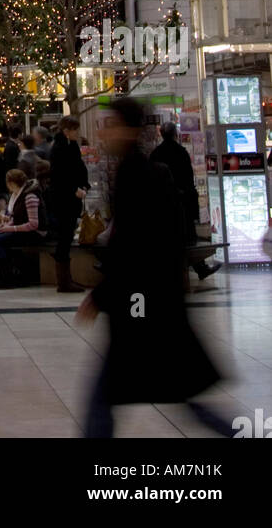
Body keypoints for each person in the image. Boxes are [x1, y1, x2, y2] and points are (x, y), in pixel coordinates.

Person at [77, 97, 231, 439]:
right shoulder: (138, 170)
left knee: (108, 397)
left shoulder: (136, 174)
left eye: (110, 125)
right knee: (180, 398)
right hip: (150, 307)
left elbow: (136, 246)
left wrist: (102, 295)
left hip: (143, 309)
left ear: (129, 130)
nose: (103, 133)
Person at [151, 122, 221, 281]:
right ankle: (199, 267)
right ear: (175, 134)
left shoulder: (156, 154)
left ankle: (176, 270)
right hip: (182, 202)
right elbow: (188, 179)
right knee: (189, 237)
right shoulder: (181, 152)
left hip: (163, 204)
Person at [0, 169, 47, 290]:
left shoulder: (30, 196)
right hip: (23, 231)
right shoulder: (17, 195)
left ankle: (5, 277)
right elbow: (17, 217)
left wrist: (10, 228)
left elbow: (34, 224)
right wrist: (4, 223)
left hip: (34, 234)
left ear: (11, 183)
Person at [48, 116, 88, 293]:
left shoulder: (70, 146)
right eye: (75, 130)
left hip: (71, 197)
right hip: (65, 199)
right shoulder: (60, 148)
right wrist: (74, 189)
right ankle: (64, 281)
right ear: (66, 131)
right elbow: (60, 175)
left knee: (67, 235)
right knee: (65, 236)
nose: (77, 133)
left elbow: (78, 168)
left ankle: (66, 279)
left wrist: (84, 185)